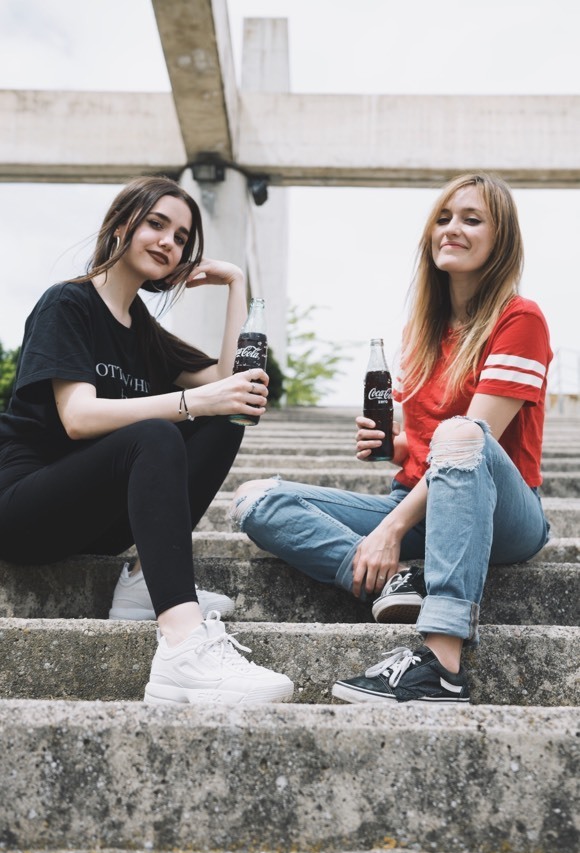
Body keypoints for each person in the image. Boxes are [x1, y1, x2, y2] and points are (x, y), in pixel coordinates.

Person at [231, 172, 551, 705]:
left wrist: (391, 527)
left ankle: (442, 668)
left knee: (462, 435)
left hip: (503, 515)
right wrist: (402, 447)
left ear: (502, 241)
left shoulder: (521, 319)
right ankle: (398, 582)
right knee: (253, 499)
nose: (452, 229)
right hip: (422, 501)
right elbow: (433, 442)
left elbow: (474, 437)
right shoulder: (420, 331)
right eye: (443, 219)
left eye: (472, 220)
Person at [0, 175, 293, 706]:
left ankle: (142, 582)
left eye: (181, 236)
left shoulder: (144, 332)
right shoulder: (68, 304)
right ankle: (182, 646)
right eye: (156, 224)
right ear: (121, 226)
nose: (168, 242)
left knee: (227, 415)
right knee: (158, 433)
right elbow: (77, 417)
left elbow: (233, 385)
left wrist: (236, 285)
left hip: (92, 521)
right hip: (23, 510)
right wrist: (190, 403)